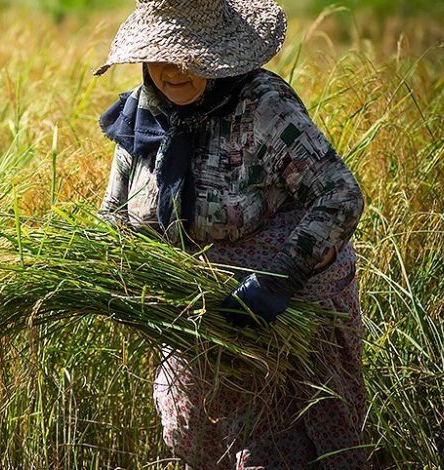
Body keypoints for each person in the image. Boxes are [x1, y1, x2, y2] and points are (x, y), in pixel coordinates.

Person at [95, 0, 367, 468]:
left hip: (285, 314)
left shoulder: (262, 106)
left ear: (217, 55)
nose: (171, 70)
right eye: (157, 54)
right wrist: (112, 277)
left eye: (188, 55)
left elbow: (339, 195)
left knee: (283, 452)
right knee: (196, 437)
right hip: (199, 315)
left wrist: (276, 282)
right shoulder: (144, 113)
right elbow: (114, 217)